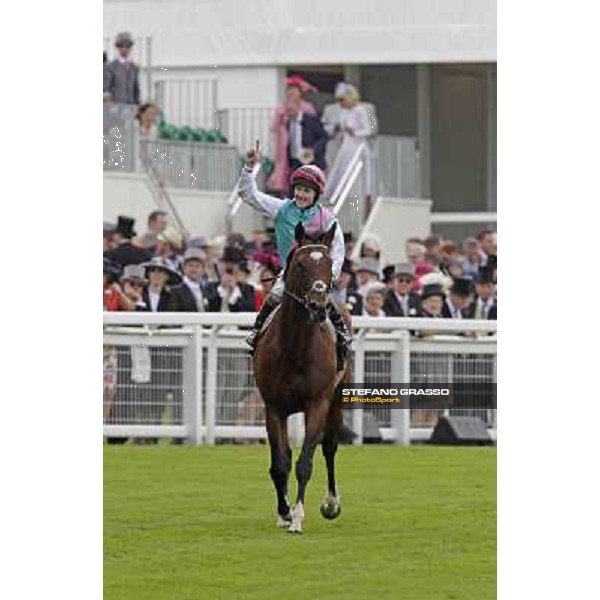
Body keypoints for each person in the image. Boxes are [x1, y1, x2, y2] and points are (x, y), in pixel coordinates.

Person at [238, 142, 351, 370]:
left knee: (330, 304)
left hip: (317, 277)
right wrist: (249, 168)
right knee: (274, 296)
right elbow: (248, 194)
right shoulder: (281, 208)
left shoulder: (327, 219)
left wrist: (328, 277)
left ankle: (342, 339)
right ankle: (256, 333)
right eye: (298, 189)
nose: (301, 194)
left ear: (316, 194)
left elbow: (338, 251)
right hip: (289, 275)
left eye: (307, 191)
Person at [267, 75, 318, 196]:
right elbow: (273, 127)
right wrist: (281, 117)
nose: (292, 93)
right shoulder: (282, 107)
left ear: (300, 93)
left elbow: (314, 126)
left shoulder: (307, 107)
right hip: (285, 143)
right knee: (284, 167)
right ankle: (285, 193)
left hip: (303, 143)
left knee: (303, 169)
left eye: (295, 91)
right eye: (289, 91)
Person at [323, 83, 374, 200]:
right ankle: (338, 195)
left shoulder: (360, 110)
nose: (341, 103)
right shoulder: (343, 112)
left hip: (358, 146)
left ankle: (361, 196)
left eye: (343, 100)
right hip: (346, 145)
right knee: (341, 170)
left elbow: (368, 130)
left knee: (357, 171)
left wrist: (354, 132)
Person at [284, 97, 328, 178]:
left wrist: (313, 150)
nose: (289, 113)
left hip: (312, 161)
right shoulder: (288, 122)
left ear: (298, 106)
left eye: (291, 109)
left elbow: (323, 137)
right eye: (287, 110)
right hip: (296, 162)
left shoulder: (310, 119)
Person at [103, 32, 140, 105]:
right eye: (122, 46)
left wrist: (137, 104)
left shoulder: (134, 68)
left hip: (131, 107)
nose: (125, 49)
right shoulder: (110, 67)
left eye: (127, 46)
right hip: (116, 107)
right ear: (118, 48)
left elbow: (136, 90)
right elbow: (106, 88)